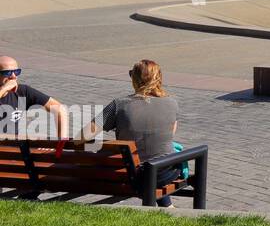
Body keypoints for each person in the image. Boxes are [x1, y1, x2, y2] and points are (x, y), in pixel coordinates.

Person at [82, 59, 181, 207]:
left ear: (134, 79)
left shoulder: (118, 105)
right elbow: (167, 136)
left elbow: (83, 136)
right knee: (161, 153)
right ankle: (167, 205)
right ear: (159, 79)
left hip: (131, 175)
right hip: (166, 173)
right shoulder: (172, 104)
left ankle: (165, 204)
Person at [0, 55, 68, 139]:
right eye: (7, 73)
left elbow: (60, 109)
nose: (13, 76)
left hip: (16, 147)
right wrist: (4, 88)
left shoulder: (23, 92)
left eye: (16, 71)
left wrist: (60, 143)